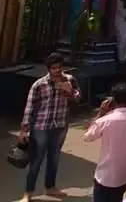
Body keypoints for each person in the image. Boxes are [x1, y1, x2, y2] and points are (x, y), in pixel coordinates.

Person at [19, 51, 80, 202]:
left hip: (60, 125)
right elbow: (29, 107)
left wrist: (69, 91)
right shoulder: (39, 85)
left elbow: (77, 97)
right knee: (36, 160)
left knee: (54, 158)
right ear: (48, 69)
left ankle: (50, 187)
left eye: (59, 67)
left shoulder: (70, 80)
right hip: (41, 126)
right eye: (54, 68)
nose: (57, 70)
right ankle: (28, 193)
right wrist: (24, 130)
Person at [82, 83, 126, 202]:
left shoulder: (105, 120)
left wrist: (101, 113)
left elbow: (88, 136)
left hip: (105, 177)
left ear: (113, 99)